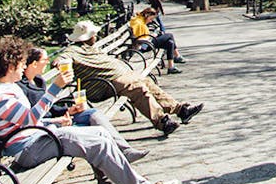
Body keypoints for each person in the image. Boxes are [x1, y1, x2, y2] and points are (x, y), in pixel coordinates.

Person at [0, 37, 173, 184]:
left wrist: (55, 122)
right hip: (27, 150)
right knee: (98, 143)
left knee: (100, 133)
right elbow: (29, 119)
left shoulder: (8, 88)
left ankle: (132, 182)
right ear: (10, 66)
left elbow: (27, 123)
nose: (24, 67)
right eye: (21, 63)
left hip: (37, 140)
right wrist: (55, 88)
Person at [62, 20, 201, 135]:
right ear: (88, 36)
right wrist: (65, 64)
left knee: (147, 82)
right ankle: (162, 122)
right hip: (103, 84)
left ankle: (181, 110)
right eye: (94, 34)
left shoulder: (90, 47)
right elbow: (61, 59)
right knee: (137, 88)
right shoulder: (73, 50)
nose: (96, 36)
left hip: (118, 77)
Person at [18, 47, 146, 162]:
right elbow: (32, 118)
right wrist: (57, 121)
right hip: (45, 131)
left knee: (93, 114)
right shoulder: (22, 89)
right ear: (34, 64)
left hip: (59, 121)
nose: (47, 62)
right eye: (45, 60)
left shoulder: (39, 80)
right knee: (94, 135)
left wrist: (69, 109)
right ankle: (108, 175)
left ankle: (125, 150)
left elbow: (50, 106)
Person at [128, 6, 184, 74]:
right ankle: (177, 56)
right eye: (151, 19)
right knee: (170, 35)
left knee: (170, 42)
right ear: (147, 15)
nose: (151, 21)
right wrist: (151, 36)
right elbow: (140, 38)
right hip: (145, 45)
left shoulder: (140, 20)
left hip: (147, 42)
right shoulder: (139, 23)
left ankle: (171, 67)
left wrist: (152, 36)